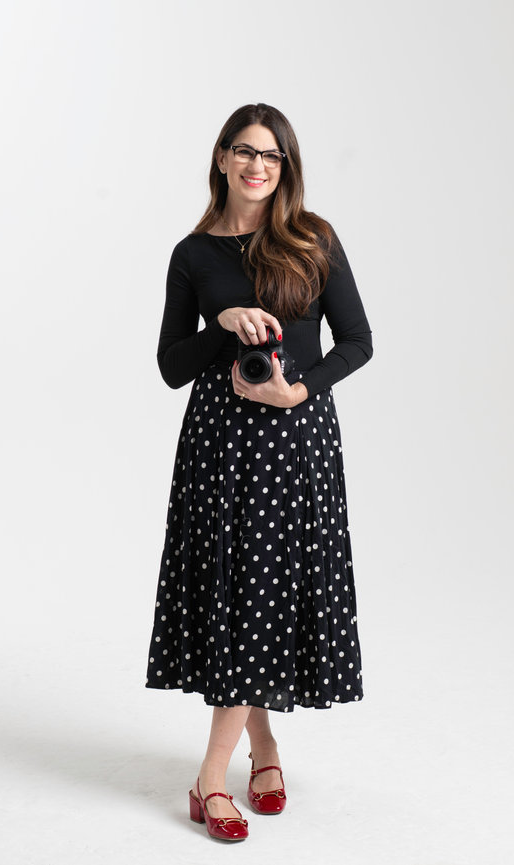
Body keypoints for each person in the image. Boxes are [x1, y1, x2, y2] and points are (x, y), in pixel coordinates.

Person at [145, 103, 373, 842]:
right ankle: (255, 749)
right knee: (242, 593)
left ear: (285, 167)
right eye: (244, 151)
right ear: (221, 158)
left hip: (296, 437)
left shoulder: (313, 238)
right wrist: (222, 325)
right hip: (219, 443)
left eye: (271, 155)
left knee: (263, 591)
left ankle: (212, 773)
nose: (256, 166)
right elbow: (170, 366)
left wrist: (298, 391)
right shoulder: (192, 253)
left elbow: (358, 341)